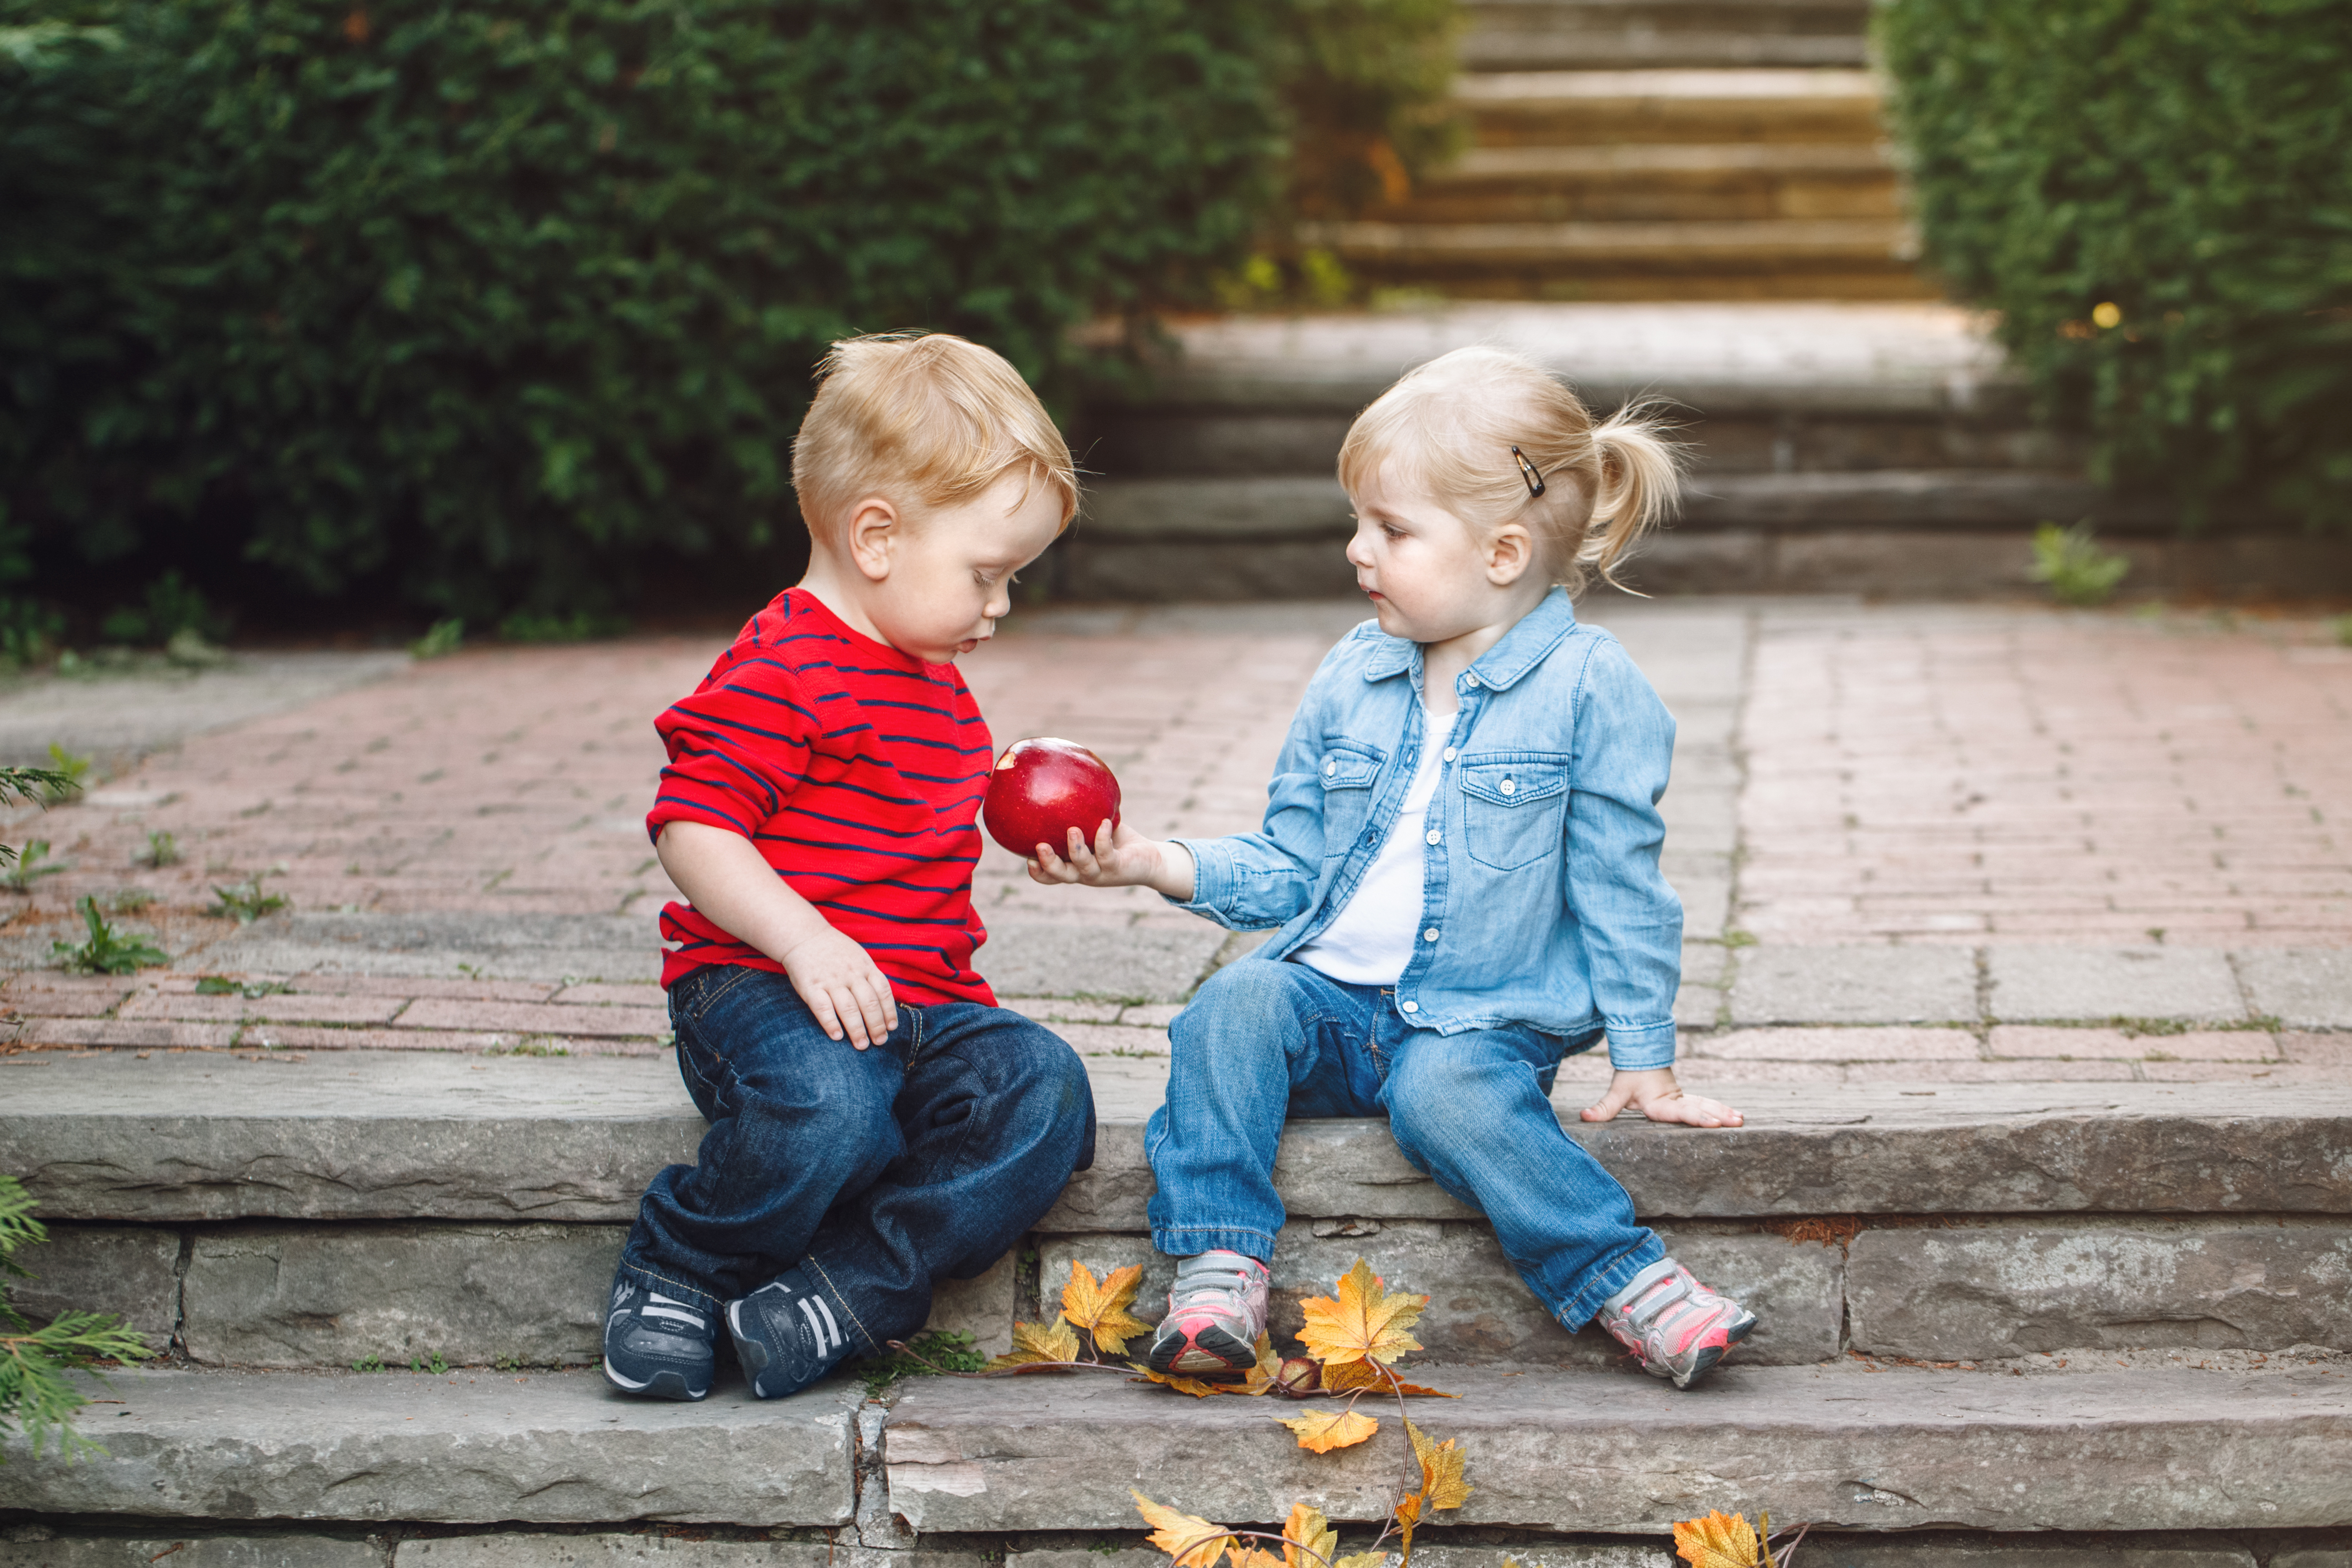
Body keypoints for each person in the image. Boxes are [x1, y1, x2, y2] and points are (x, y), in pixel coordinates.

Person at [1027, 345, 1756, 1389]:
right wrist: (1154, 862)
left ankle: (1628, 1280)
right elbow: (1292, 865)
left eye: (1392, 529)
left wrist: (1644, 1057)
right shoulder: (1352, 672)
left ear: (1502, 553)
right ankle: (1217, 1266)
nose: (1356, 549)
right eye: (1359, 521)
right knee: (1232, 1004)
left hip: (1480, 1018)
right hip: (1333, 1004)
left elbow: (1621, 885)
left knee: (1448, 1095)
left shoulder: (1592, 687)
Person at [603, 333, 1097, 1402]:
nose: (1000, 606)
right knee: (830, 1108)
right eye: (986, 575)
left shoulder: (935, 684)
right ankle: (680, 1267)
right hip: (763, 987)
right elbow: (691, 828)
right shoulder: (783, 665)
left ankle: (845, 1290)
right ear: (876, 537)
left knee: (1046, 1089)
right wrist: (804, 938)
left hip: (915, 1002)